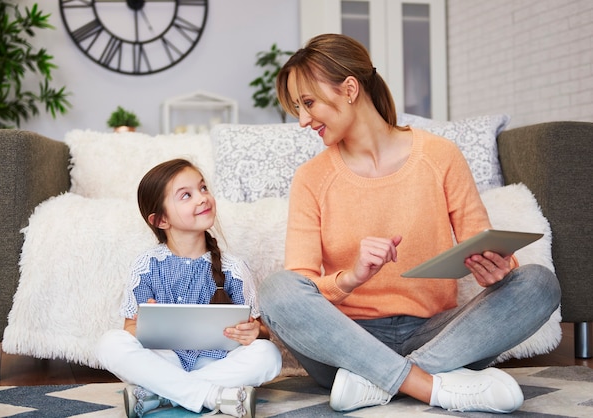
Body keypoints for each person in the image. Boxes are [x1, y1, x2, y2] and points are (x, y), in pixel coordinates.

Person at [257, 33, 560, 414]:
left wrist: (495, 271)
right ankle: (431, 385)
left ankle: (378, 382)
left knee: (539, 283)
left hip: (438, 333)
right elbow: (297, 286)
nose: (302, 120)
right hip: (346, 340)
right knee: (276, 289)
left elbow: (481, 242)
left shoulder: (440, 155)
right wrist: (350, 277)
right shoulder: (311, 178)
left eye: (308, 103)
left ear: (349, 89)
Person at [96, 159, 282, 418]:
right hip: (164, 360)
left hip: (217, 361)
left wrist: (255, 332)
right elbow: (130, 329)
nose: (202, 198)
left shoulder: (233, 268)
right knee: (109, 344)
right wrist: (144, 327)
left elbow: (261, 332)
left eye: (203, 188)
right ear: (161, 220)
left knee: (268, 355)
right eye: (186, 195)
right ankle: (212, 395)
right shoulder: (146, 266)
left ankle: (159, 394)